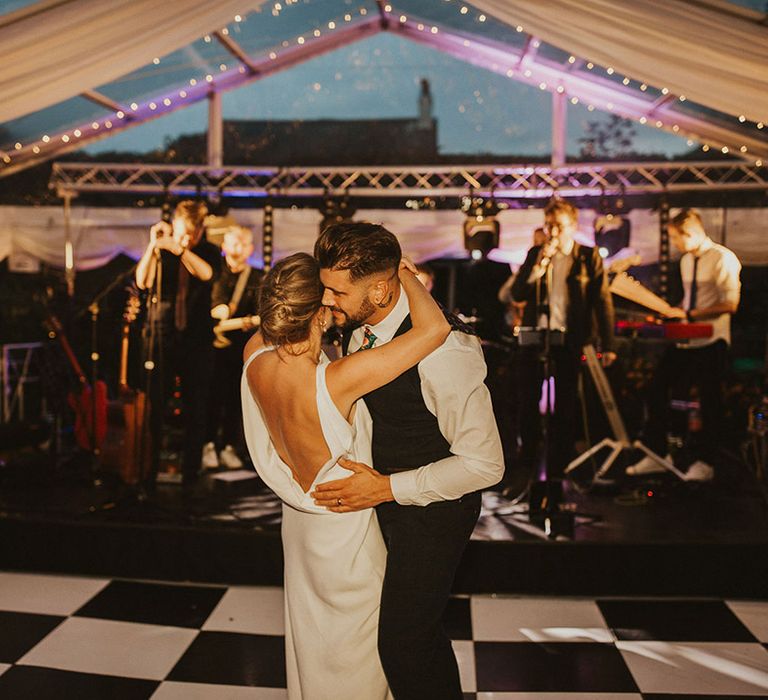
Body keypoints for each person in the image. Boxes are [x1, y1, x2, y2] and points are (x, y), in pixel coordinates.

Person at [241, 252, 450, 700]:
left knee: (315, 650)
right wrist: (401, 272)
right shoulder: (337, 380)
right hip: (346, 533)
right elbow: (435, 329)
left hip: (301, 528)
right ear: (319, 311)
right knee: (358, 663)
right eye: (330, 295)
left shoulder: (254, 353)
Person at [311, 223, 504, 700]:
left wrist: (386, 488)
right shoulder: (360, 331)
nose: (328, 299)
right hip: (384, 502)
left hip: (435, 510)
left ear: (380, 288)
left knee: (405, 640)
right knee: (398, 634)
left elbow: (485, 464)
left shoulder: (447, 351)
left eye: (338, 290)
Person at [626, 207, 741, 480]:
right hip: (687, 339)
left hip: (712, 339)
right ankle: (657, 453)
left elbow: (730, 304)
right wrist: (670, 314)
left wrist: (687, 314)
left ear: (690, 233)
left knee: (708, 399)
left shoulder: (723, 258)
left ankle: (706, 462)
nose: (675, 244)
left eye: (676, 238)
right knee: (658, 389)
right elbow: (690, 302)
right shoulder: (687, 261)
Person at [509, 200, 615, 477]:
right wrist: (538, 267)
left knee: (564, 403)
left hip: (569, 338)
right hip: (537, 336)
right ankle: (528, 459)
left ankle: (560, 462)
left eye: (559, 226)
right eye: (549, 225)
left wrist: (608, 343)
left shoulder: (587, 257)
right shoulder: (536, 254)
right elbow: (518, 293)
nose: (553, 231)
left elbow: (601, 302)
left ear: (572, 226)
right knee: (528, 399)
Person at [135, 200, 221, 489]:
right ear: (175, 225)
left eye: (194, 233)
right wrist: (153, 246)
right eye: (185, 232)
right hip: (162, 335)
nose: (189, 238)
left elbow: (207, 274)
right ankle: (147, 472)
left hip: (196, 340)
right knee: (154, 406)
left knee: (196, 408)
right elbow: (143, 282)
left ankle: (190, 475)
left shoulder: (208, 251)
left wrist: (182, 250)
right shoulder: (162, 251)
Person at [203, 226, 262, 470]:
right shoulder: (214, 272)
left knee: (235, 397)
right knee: (209, 396)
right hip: (211, 347)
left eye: (242, 243)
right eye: (232, 242)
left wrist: (247, 322)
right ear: (224, 246)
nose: (237, 247)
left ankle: (229, 445)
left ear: (249, 249)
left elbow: (262, 314)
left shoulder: (256, 277)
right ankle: (206, 445)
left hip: (241, 347)